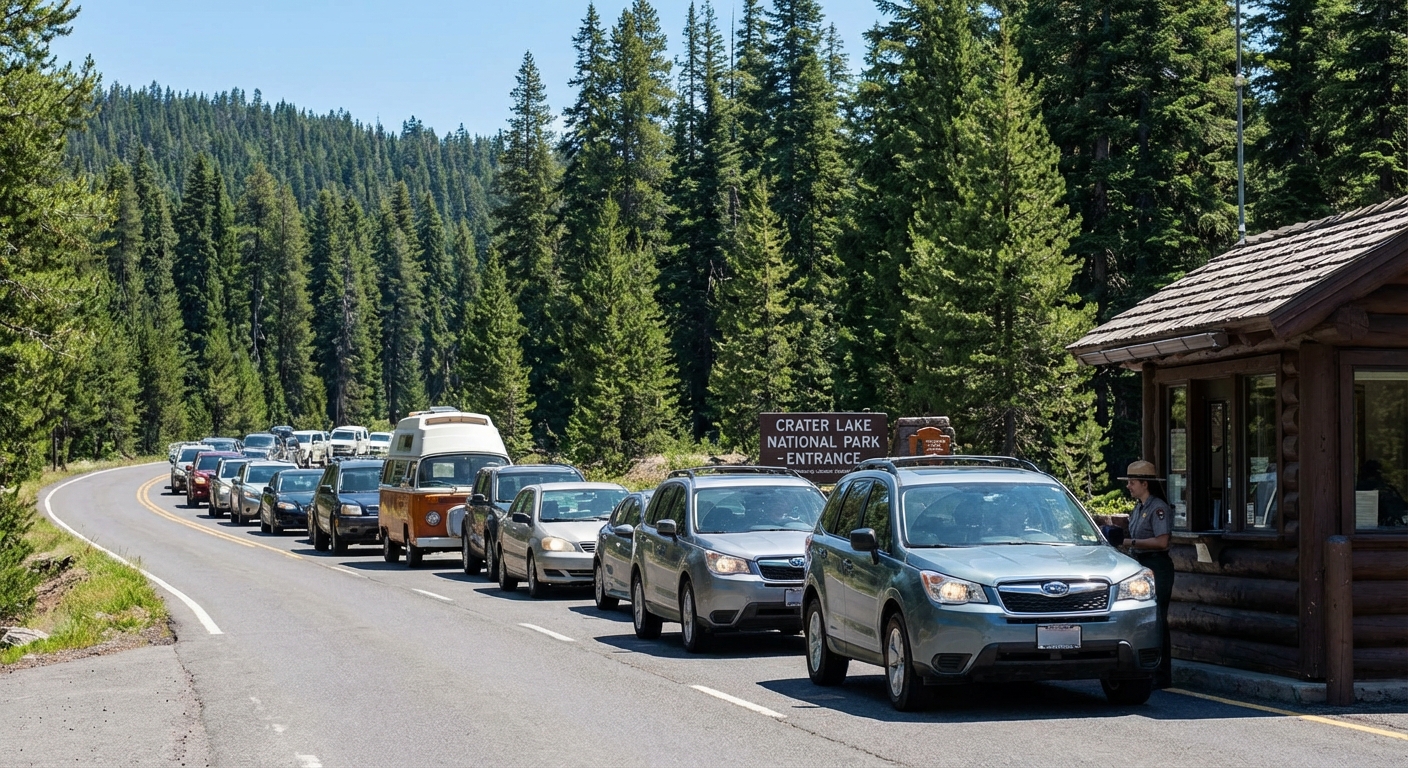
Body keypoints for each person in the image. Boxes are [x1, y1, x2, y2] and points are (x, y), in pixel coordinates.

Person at [1121, 459, 1174, 688]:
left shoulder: (1158, 508)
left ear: (1145, 483)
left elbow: (1162, 542)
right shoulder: (1138, 508)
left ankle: (1163, 674)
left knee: (1158, 617)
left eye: (1132, 482)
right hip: (1142, 566)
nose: (1129, 486)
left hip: (1158, 565)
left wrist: (1131, 541)